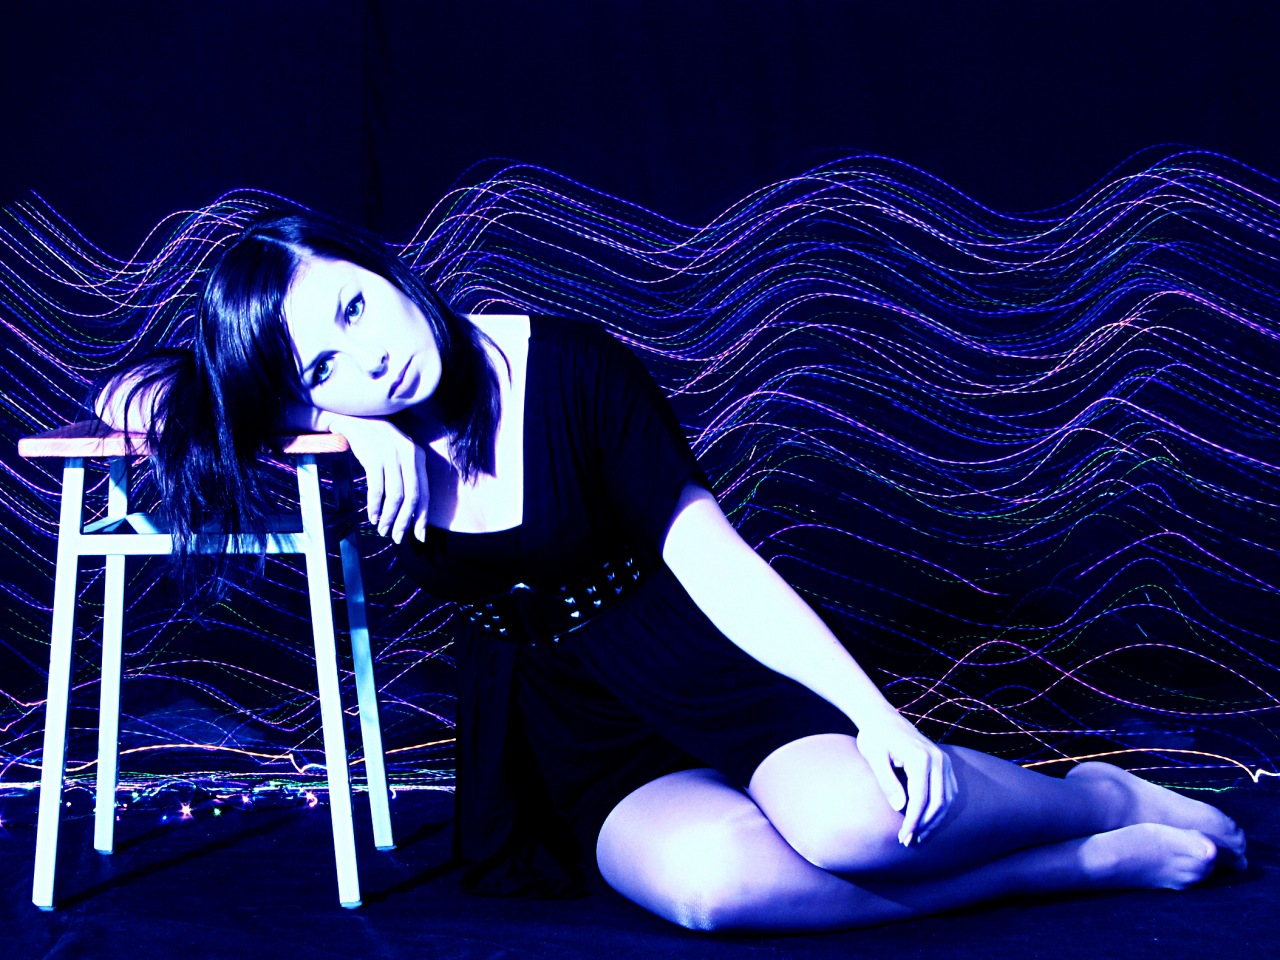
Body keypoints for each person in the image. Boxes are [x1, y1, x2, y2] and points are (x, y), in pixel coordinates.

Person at [96, 211, 1247, 933]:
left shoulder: (570, 367)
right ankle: (1067, 866)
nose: (370, 354)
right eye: (323, 362)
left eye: (355, 305)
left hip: (696, 661)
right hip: (566, 725)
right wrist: (341, 422)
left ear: (382, 268)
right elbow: (131, 397)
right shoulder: (353, 419)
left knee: (855, 826)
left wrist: (874, 717)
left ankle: (1092, 797)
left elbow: (716, 560)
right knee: (713, 895)